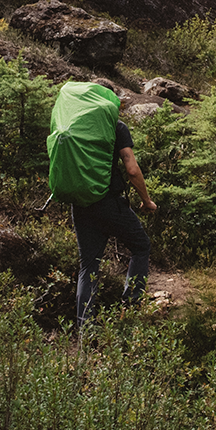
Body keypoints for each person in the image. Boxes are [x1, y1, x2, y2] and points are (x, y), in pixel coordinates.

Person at [72, 114, 157, 329]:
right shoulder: (116, 127)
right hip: (109, 202)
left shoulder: (77, 125)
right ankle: (130, 307)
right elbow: (131, 169)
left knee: (89, 265)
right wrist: (146, 200)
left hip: (80, 203)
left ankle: (85, 329)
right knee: (141, 246)